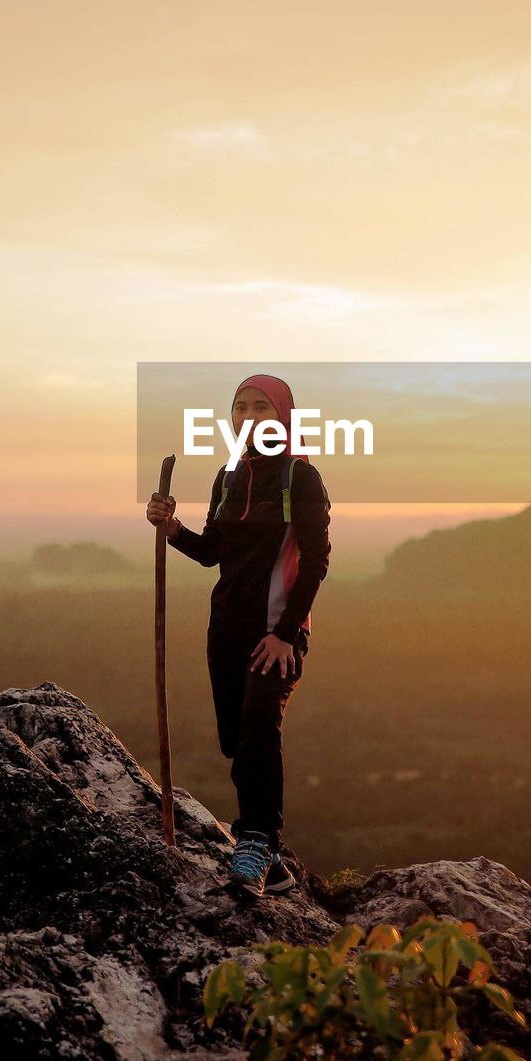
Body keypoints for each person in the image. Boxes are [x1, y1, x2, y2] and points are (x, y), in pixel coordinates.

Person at [145, 373, 331, 897]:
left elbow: (316, 562)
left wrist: (285, 634)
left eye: (261, 407)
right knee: (235, 739)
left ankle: (256, 842)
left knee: (257, 726)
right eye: (240, 408)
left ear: (283, 416)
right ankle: (275, 870)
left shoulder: (302, 478)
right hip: (225, 626)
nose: (249, 417)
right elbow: (212, 553)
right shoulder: (227, 478)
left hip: (277, 633)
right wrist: (172, 529)